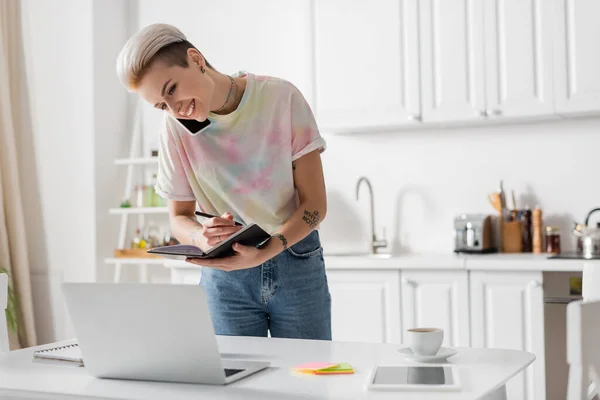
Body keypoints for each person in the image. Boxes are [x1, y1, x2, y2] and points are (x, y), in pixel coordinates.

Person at [116, 23, 331, 340]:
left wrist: (265, 251)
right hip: (226, 276)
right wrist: (202, 236)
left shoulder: (280, 98)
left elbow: (315, 205)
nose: (175, 109)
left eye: (172, 89)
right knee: (236, 387)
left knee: (309, 380)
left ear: (196, 59)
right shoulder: (174, 129)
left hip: (295, 261)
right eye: (162, 105)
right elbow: (178, 218)